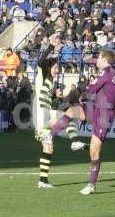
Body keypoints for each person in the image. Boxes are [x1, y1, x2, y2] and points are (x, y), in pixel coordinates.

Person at [37, 51, 115, 194]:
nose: (97, 61)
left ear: (104, 60)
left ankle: (91, 185)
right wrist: (91, 59)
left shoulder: (106, 73)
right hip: (96, 108)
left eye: (99, 58)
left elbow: (93, 88)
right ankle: (50, 135)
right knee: (71, 111)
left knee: (94, 151)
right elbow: (97, 63)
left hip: (104, 114)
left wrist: (83, 93)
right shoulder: (110, 71)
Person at [34, 44, 86, 189]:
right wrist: (51, 46)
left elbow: (47, 96)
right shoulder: (43, 76)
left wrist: (55, 96)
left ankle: (42, 181)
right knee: (67, 115)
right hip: (42, 115)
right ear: (49, 67)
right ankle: (75, 141)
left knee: (48, 150)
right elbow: (40, 62)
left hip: (45, 114)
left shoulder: (51, 82)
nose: (57, 70)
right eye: (55, 67)